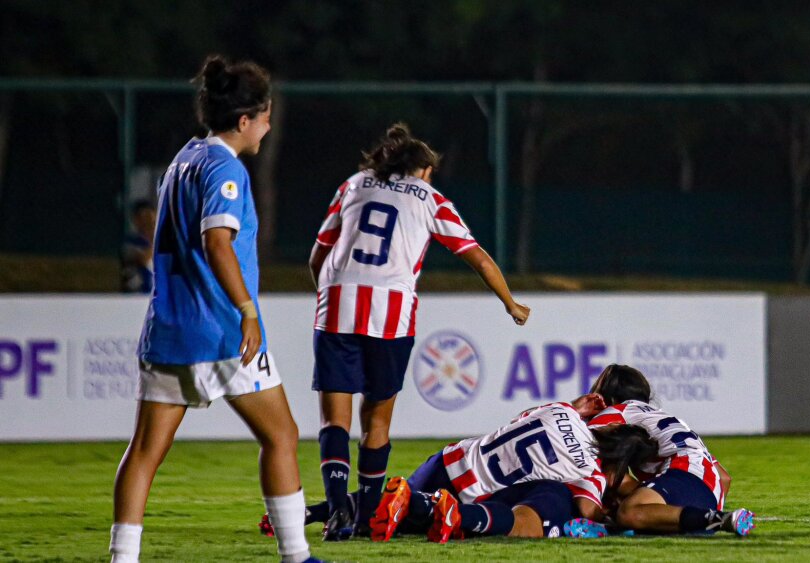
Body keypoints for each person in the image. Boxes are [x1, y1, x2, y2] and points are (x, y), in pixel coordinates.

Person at [111, 55, 320, 563]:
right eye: (265, 116)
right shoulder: (227, 169)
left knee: (143, 452)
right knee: (282, 434)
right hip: (223, 333)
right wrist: (247, 309)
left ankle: (122, 558)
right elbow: (218, 242)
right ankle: (295, 555)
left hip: (168, 331)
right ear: (244, 119)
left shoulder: (185, 158)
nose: (268, 126)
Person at [307, 123, 530, 540]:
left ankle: (338, 511)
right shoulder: (429, 199)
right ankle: (368, 516)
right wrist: (510, 302)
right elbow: (477, 257)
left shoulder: (353, 184)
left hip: (337, 304)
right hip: (390, 313)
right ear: (423, 170)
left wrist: (328, 292)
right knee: (376, 420)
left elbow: (319, 254)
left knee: (333, 419)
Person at [368, 401, 658, 542]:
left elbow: (520, 419)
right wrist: (613, 520)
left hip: (449, 459)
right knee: (551, 504)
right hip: (470, 492)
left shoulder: (564, 410)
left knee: (378, 514)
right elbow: (585, 509)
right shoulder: (590, 472)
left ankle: (338, 512)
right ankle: (427, 507)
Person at [587, 364, 755, 537]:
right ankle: (703, 519)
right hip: (703, 485)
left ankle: (714, 519)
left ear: (610, 397)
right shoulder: (660, 416)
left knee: (629, 512)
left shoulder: (616, 412)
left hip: (681, 471)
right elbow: (724, 478)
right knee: (636, 510)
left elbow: (578, 445)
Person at [120, 200, 156, 293]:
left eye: (150, 217)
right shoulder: (130, 242)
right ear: (135, 220)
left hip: (156, 295)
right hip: (134, 294)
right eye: (144, 217)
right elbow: (144, 259)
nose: (148, 221)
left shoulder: (163, 241)